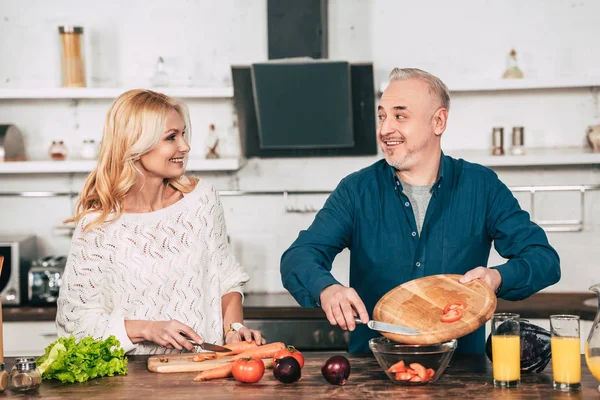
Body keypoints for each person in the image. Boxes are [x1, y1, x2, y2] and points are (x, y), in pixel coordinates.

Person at [280, 68, 560, 354]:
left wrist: (496, 278)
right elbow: (299, 256)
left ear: (438, 121)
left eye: (400, 116)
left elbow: (543, 259)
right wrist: (326, 289)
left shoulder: (481, 186)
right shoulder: (356, 190)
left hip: (462, 374)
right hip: (375, 374)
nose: (385, 128)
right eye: (382, 116)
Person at [57, 89, 265, 354]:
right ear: (135, 145)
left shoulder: (202, 201)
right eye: (171, 137)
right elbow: (76, 325)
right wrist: (148, 329)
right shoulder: (97, 227)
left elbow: (226, 280)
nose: (185, 146)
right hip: (132, 382)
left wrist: (234, 330)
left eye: (183, 133)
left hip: (205, 372)